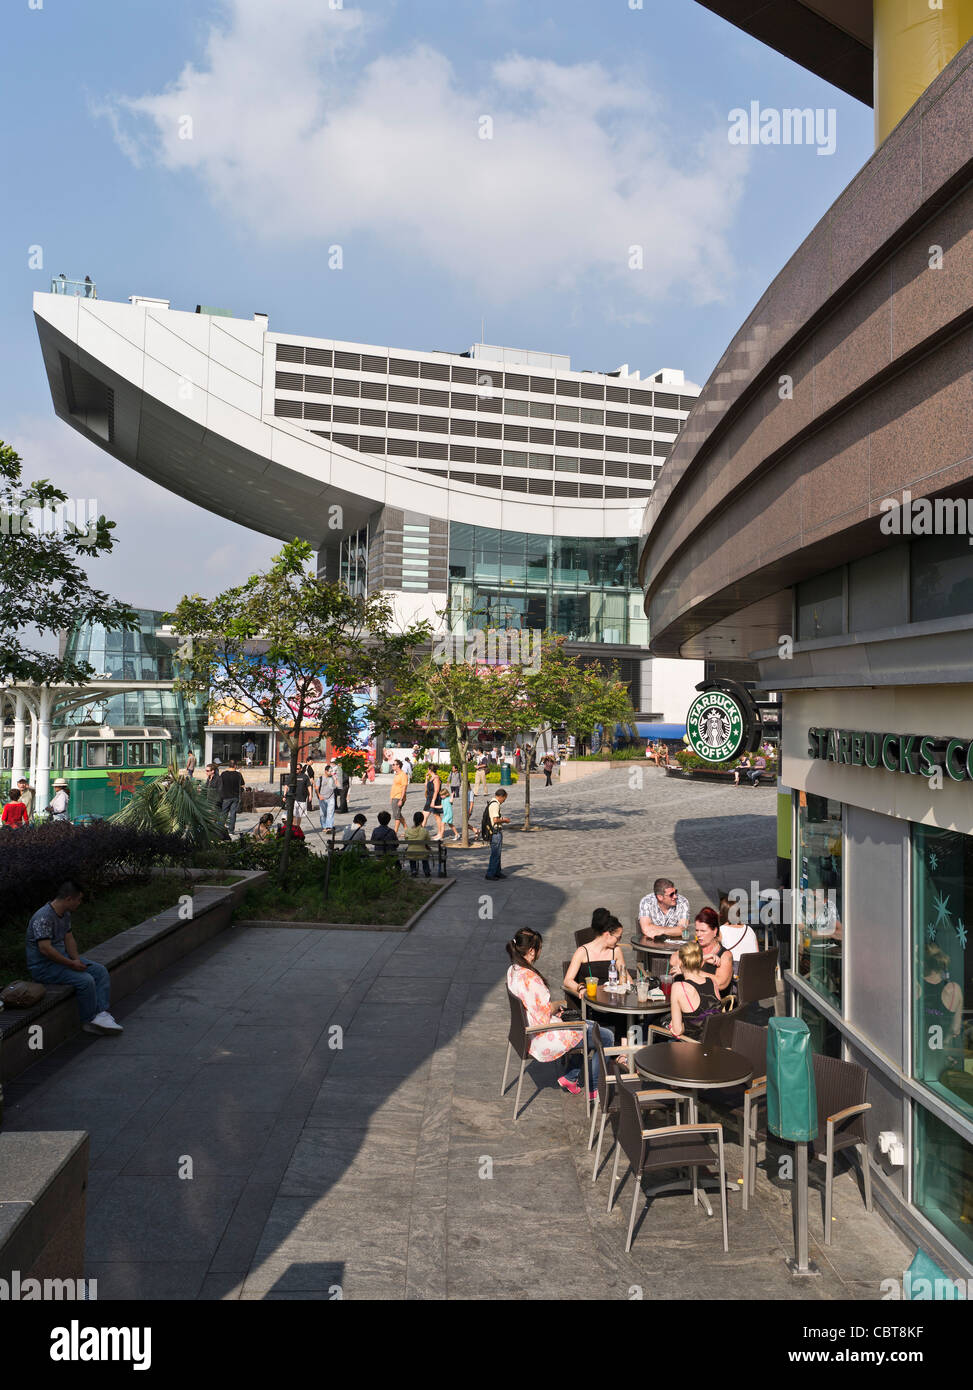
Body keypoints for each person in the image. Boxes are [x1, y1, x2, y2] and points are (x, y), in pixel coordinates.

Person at [506, 928, 612, 1099]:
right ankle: (594, 1087)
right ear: (532, 951)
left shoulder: (513, 970)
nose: (540, 952)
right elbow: (543, 1016)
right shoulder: (531, 979)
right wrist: (557, 1005)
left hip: (525, 1032)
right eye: (539, 948)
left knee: (585, 1027)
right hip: (541, 1035)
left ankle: (570, 1077)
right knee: (604, 1036)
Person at [26, 881, 122, 1034]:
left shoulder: (65, 914)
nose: (80, 903)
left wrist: (76, 960)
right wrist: (71, 964)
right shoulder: (43, 917)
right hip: (43, 967)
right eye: (79, 899)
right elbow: (45, 949)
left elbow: (69, 939)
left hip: (62, 960)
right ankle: (89, 1020)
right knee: (85, 981)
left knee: (100, 971)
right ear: (69, 899)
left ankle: (101, 1013)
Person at [563, 913, 630, 1001]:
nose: (619, 941)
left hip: (613, 1000)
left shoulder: (616, 951)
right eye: (618, 938)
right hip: (591, 1000)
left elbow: (626, 976)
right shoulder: (582, 951)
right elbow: (567, 980)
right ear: (607, 935)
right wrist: (581, 988)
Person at [669, 906, 734, 995]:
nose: (699, 935)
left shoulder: (725, 955)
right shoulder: (694, 945)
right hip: (687, 995)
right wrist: (703, 958)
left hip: (710, 1002)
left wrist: (689, 971)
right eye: (697, 930)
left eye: (703, 931)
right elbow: (673, 961)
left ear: (715, 931)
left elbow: (720, 983)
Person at [667, 940, 721, 1040]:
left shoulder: (678, 987)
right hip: (717, 1044)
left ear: (680, 962)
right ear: (701, 962)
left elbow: (677, 1030)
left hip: (694, 1049)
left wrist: (678, 1026)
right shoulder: (712, 982)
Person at [484, 787, 509, 881]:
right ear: (501, 797)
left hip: (495, 832)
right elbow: (495, 820)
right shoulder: (495, 805)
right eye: (504, 799)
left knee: (497, 853)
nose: (504, 801)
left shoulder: (493, 802)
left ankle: (497, 872)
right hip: (495, 833)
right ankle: (490, 874)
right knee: (495, 854)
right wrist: (505, 820)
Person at [219, 760, 245, 834]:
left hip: (226, 796)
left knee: (224, 813)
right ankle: (231, 830)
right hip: (235, 797)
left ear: (228, 765)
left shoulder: (223, 774)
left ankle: (220, 829)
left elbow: (221, 784)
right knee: (233, 814)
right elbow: (242, 785)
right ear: (235, 766)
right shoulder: (238, 774)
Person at [404, 811, 433, 877]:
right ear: (422, 820)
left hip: (411, 852)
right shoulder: (424, 831)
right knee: (425, 854)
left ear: (413, 820)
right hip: (422, 853)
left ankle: (413, 870)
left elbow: (406, 840)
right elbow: (428, 841)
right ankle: (426, 870)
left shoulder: (408, 830)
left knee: (411, 853)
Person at [422, 764, 444, 839]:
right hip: (429, 799)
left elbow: (436, 790)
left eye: (428, 769)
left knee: (437, 816)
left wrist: (433, 801)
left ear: (430, 770)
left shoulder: (436, 778)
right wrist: (426, 779)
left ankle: (440, 833)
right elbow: (426, 787)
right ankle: (420, 833)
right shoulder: (431, 778)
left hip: (435, 799)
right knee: (424, 816)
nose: (427, 770)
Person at [390, 759, 409, 836]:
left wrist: (401, 799)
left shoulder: (403, 775)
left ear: (398, 765)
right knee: (398, 815)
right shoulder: (397, 774)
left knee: (397, 816)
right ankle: (407, 830)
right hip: (394, 797)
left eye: (394, 764)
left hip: (399, 797)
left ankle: (395, 833)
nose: (393, 766)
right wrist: (391, 797)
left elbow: (404, 787)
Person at [318, 762, 338, 832]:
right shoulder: (320, 778)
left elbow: (337, 786)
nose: (331, 772)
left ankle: (329, 827)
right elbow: (316, 788)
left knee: (330, 812)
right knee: (322, 814)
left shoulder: (333, 777)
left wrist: (335, 779)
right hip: (322, 798)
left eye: (332, 771)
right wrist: (319, 795)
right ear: (326, 771)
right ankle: (324, 826)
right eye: (330, 771)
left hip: (331, 797)